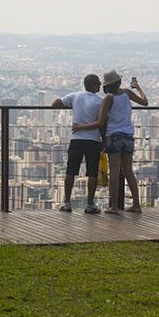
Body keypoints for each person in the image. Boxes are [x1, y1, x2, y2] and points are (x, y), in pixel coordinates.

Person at [73, 70, 148, 214]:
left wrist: (80, 127)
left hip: (114, 137)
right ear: (119, 82)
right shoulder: (127, 93)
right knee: (128, 172)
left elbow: (100, 122)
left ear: (107, 85)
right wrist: (137, 87)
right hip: (128, 137)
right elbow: (145, 102)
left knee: (114, 172)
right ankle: (136, 205)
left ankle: (114, 207)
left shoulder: (108, 99)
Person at [52, 74, 102, 214]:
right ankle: (90, 204)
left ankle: (67, 203)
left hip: (76, 139)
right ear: (93, 85)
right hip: (93, 140)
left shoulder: (75, 96)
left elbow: (55, 103)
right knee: (92, 173)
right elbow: (102, 123)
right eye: (98, 83)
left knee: (71, 170)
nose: (100, 85)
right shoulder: (100, 101)